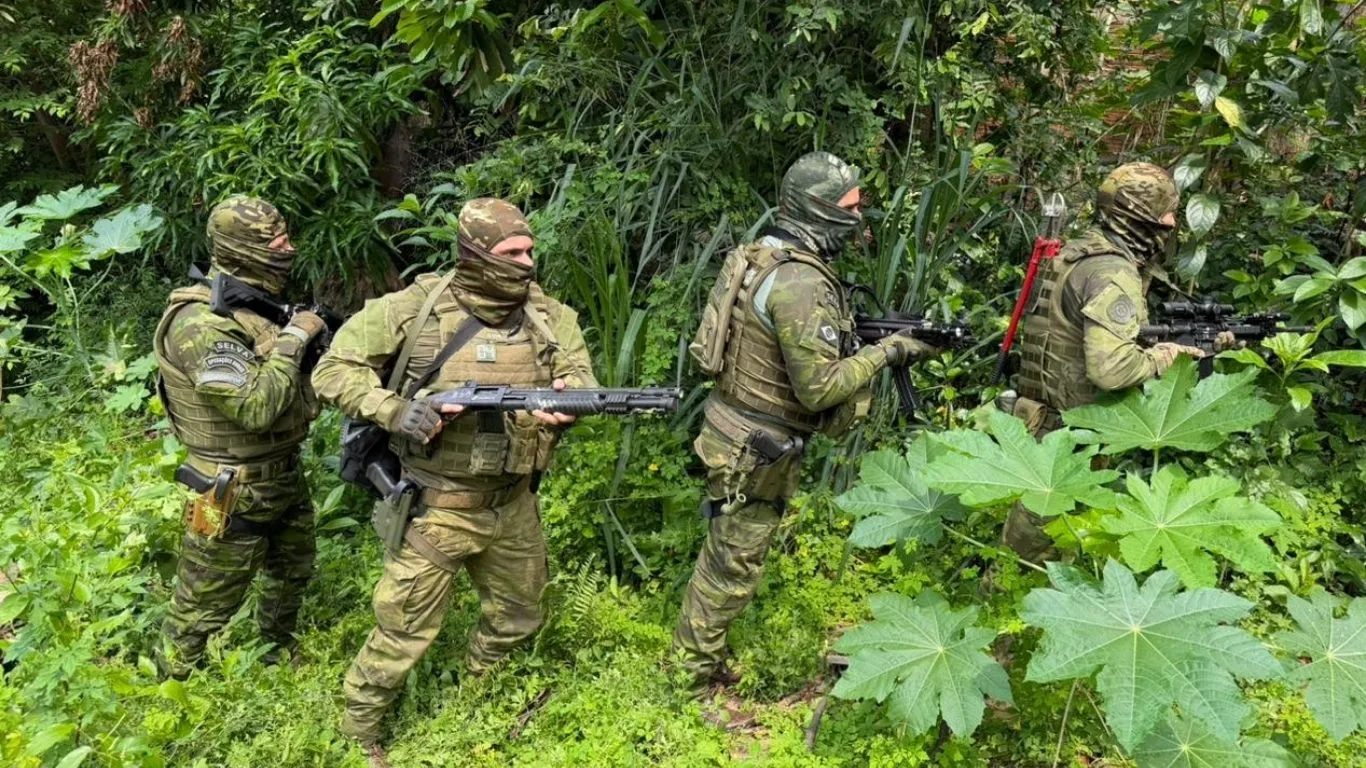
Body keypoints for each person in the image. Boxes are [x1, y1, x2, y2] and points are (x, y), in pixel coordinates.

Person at [312, 198, 595, 765]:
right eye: (511, 252)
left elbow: (580, 374)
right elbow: (332, 369)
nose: (527, 262)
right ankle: (356, 731)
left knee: (520, 614)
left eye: (530, 250)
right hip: (438, 507)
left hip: (513, 502)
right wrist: (394, 410)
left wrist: (569, 400)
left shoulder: (548, 315)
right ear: (473, 254)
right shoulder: (416, 309)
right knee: (402, 628)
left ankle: (481, 696)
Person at [674, 151, 935, 694]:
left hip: (740, 430)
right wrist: (885, 354)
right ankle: (688, 682)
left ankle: (699, 660)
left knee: (729, 553)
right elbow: (818, 389)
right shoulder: (798, 280)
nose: (859, 217)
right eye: (850, 206)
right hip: (755, 445)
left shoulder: (765, 253)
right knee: (732, 564)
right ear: (819, 210)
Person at [153, 196, 325, 678]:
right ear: (242, 249)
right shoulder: (199, 325)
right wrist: (296, 338)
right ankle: (169, 692)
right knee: (201, 604)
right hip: (227, 489)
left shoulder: (252, 307)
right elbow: (255, 407)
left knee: (291, 575)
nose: (288, 250)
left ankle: (276, 656)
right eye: (277, 243)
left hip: (282, 474)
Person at [1002, 162, 1207, 561]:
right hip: (1070, 432)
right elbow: (1110, 369)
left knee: (1032, 536)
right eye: (1167, 215)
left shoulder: (1077, 253)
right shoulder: (1113, 271)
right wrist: (1165, 358)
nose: (1172, 223)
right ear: (1143, 218)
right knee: (1040, 554)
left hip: (1039, 416)